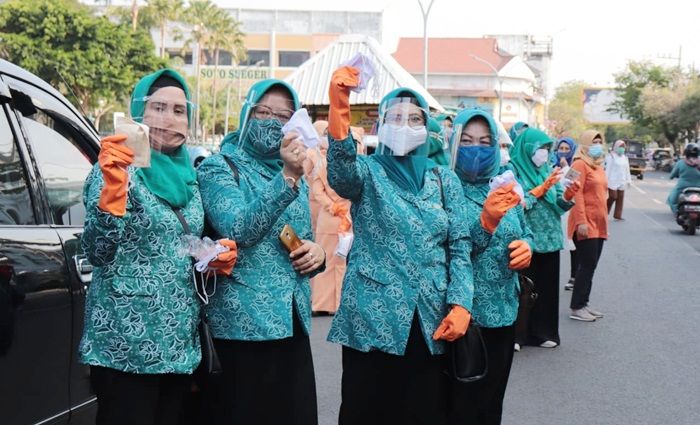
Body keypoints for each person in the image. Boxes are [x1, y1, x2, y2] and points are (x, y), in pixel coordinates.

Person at [79, 68, 237, 425]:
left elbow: (180, 241)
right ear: (139, 114)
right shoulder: (115, 169)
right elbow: (97, 252)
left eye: (179, 111)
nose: (169, 118)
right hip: (126, 343)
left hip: (178, 340)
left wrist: (211, 253)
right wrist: (112, 193)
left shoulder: (190, 178)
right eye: (159, 108)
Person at [326, 66, 474, 425]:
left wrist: (461, 303)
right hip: (372, 319)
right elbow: (341, 174)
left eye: (414, 118)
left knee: (423, 410)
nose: (405, 125)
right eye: (395, 117)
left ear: (426, 129)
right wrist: (340, 108)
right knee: (368, 409)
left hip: (429, 320)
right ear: (381, 125)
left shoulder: (443, 179)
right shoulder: (368, 172)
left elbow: (460, 246)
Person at [197, 79, 325, 424]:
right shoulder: (220, 167)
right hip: (243, 327)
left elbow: (303, 238)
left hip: (292, 322)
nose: (273, 122)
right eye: (263, 111)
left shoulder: (295, 172)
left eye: (284, 116)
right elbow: (238, 229)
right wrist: (286, 176)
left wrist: (317, 255)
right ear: (246, 113)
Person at [448, 108, 533, 425]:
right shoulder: (443, 189)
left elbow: (523, 229)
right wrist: (485, 224)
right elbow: (447, 250)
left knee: (491, 402)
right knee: (461, 405)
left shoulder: (504, 185)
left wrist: (527, 247)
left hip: (504, 311)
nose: (476, 148)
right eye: (467, 141)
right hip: (464, 319)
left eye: (485, 141)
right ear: (453, 144)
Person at [510, 128, 579, 348]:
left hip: (550, 240)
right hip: (525, 241)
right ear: (527, 148)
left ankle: (543, 333)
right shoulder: (513, 172)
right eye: (541, 148)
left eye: (548, 148)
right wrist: (539, 190)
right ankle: (517, 336)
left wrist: (568, 196)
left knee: (546, 290)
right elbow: (515, 206)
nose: (544, 153)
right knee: (521, 289)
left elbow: (559, 207)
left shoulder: (548, 170)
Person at [304, 120, 352, 315]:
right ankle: (336, 304)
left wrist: (332, 207)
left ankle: (321, 303)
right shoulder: (349, 164)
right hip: (345, 217)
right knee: (339, 261)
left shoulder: (320, 163)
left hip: (331, 216)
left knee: (325, 261)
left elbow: (317, 191)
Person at [567, 130, 609, 321]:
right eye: (593, 142)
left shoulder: (599, 166)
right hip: (585, 223)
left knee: (592, 265)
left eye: (600, 142)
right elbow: (574, 193)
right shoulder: (578, 164)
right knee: (586, 264)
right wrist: (581, 221)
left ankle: (584, 303)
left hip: (599, 224)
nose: (597, 145)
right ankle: (577, 307)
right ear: (584, 144)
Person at [553, 137, 579, 291]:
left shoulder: (573, 167)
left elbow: (573, 183)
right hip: (557, 211)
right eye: (560, 149)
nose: (562, 152)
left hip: (570, 212)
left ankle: (574, 276)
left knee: (572, 244)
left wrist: (566, 167)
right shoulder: (551, 167)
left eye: (566, 149)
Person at [667, 143, 700, 214]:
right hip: (699, 187)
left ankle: (677, 213)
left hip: (682, 187)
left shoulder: (680, 163)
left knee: (672, 200)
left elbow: (672, 174)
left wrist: (672, 177)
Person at [605, 139, 632, 220]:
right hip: (612, 181)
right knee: (613, 196)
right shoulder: (611, 157)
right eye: (620, 147)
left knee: (620, 198)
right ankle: (605, 212)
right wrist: (605, 181)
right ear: (616, 147)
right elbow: (607, 170)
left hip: (622, 180)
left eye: (623, 147)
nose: (622, 148)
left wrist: (629, 180)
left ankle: (618, 215)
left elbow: (627, 170)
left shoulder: (625, 157)